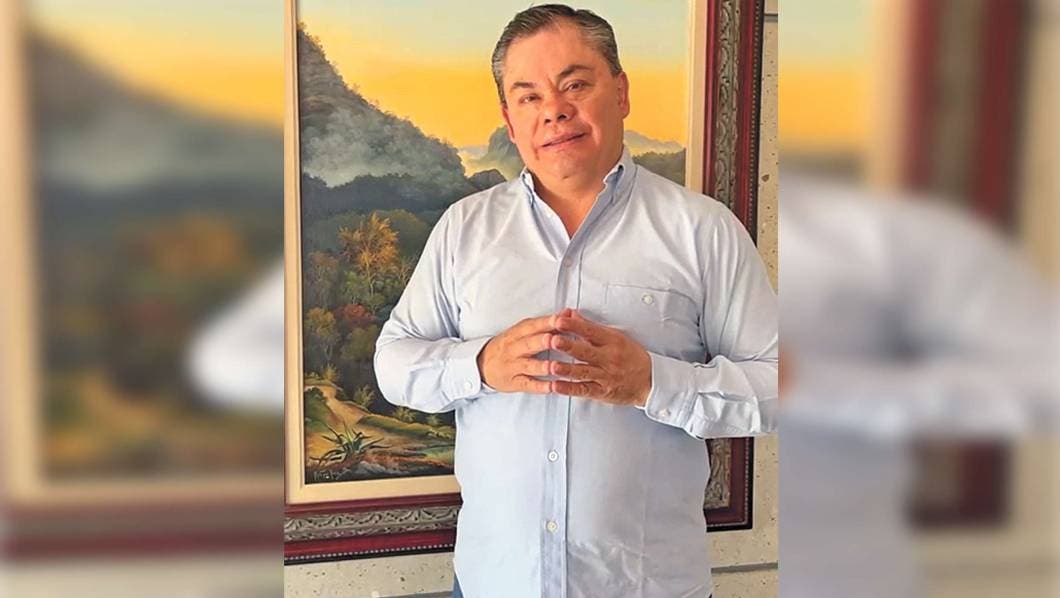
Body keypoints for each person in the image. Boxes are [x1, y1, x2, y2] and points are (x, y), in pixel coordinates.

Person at [374, 5, 777, 597]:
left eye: (575, 85)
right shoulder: (464, 229)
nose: (554, 110)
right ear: (510, 121)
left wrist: (650, 382)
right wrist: (481, 365)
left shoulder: (702, 231)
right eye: (529, 96)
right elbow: (393, 364)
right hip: (495, 584)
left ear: (621, 91)